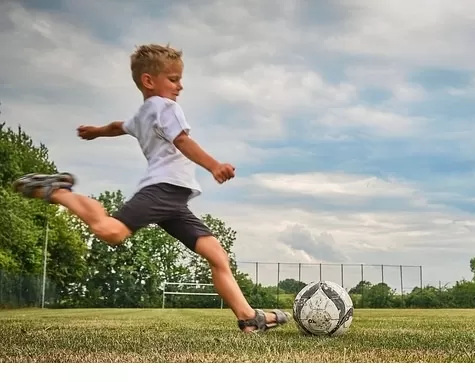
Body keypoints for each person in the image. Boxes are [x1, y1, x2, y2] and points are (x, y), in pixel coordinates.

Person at [12, 43, 290, 333]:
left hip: (175, 201)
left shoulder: (144, 113)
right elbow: (182, 141)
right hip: (162, 190)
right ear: (148, 80)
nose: (180, 86)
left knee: (217, 255)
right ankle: (58, 191)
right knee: (111, 231)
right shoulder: (165, 107)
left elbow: (119, 126)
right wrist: (214, 166)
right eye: (173, 79)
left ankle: (249, 319)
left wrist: (96, 132)